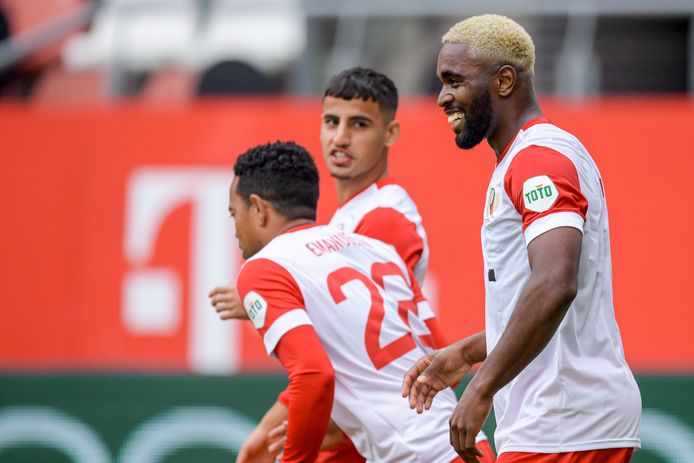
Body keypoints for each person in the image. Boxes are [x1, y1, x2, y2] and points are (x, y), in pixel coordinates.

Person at [211, 68, 493, 461]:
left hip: (408, 444)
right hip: (442, 441)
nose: (341, 138)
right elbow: (418, 341)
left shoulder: (382, 220)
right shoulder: (348, 235)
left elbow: (333, 366)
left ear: (390, 133)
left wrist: (272, 294)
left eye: (358, 124)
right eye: (331, 121)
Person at [402, 14, 641, 463]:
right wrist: (468, 353)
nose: (442, 97)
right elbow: (544, 302)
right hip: (563, 419)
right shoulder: (526, 158)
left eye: (455, 81)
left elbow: (555, 283)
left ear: (505, 80)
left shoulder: (537, 160)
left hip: (563, 422)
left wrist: (482, 386)